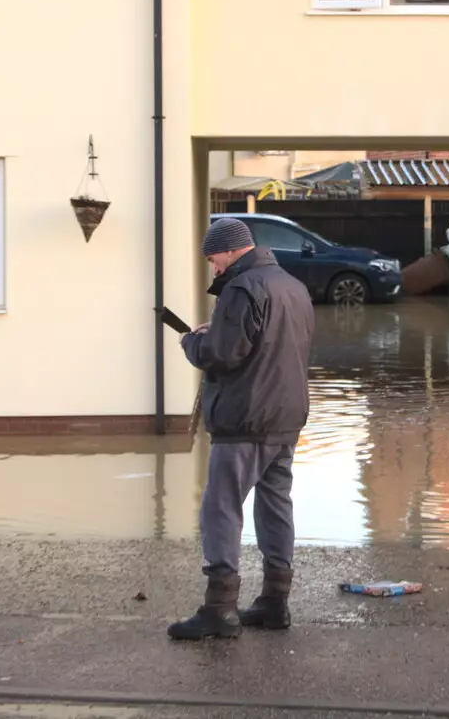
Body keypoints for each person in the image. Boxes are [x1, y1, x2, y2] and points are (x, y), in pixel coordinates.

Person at [167, 217, 314, 641]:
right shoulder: (293, 287)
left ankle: (219, 609)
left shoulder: (241, 288)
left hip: (246, 417)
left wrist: (193, 342)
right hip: (286, 416)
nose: (213, 269)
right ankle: (274, 601)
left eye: (213, 260)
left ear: (231, 251)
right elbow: (273, 342)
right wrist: (222, 332)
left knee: (221, 507)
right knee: (274, 505)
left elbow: (224, 355)